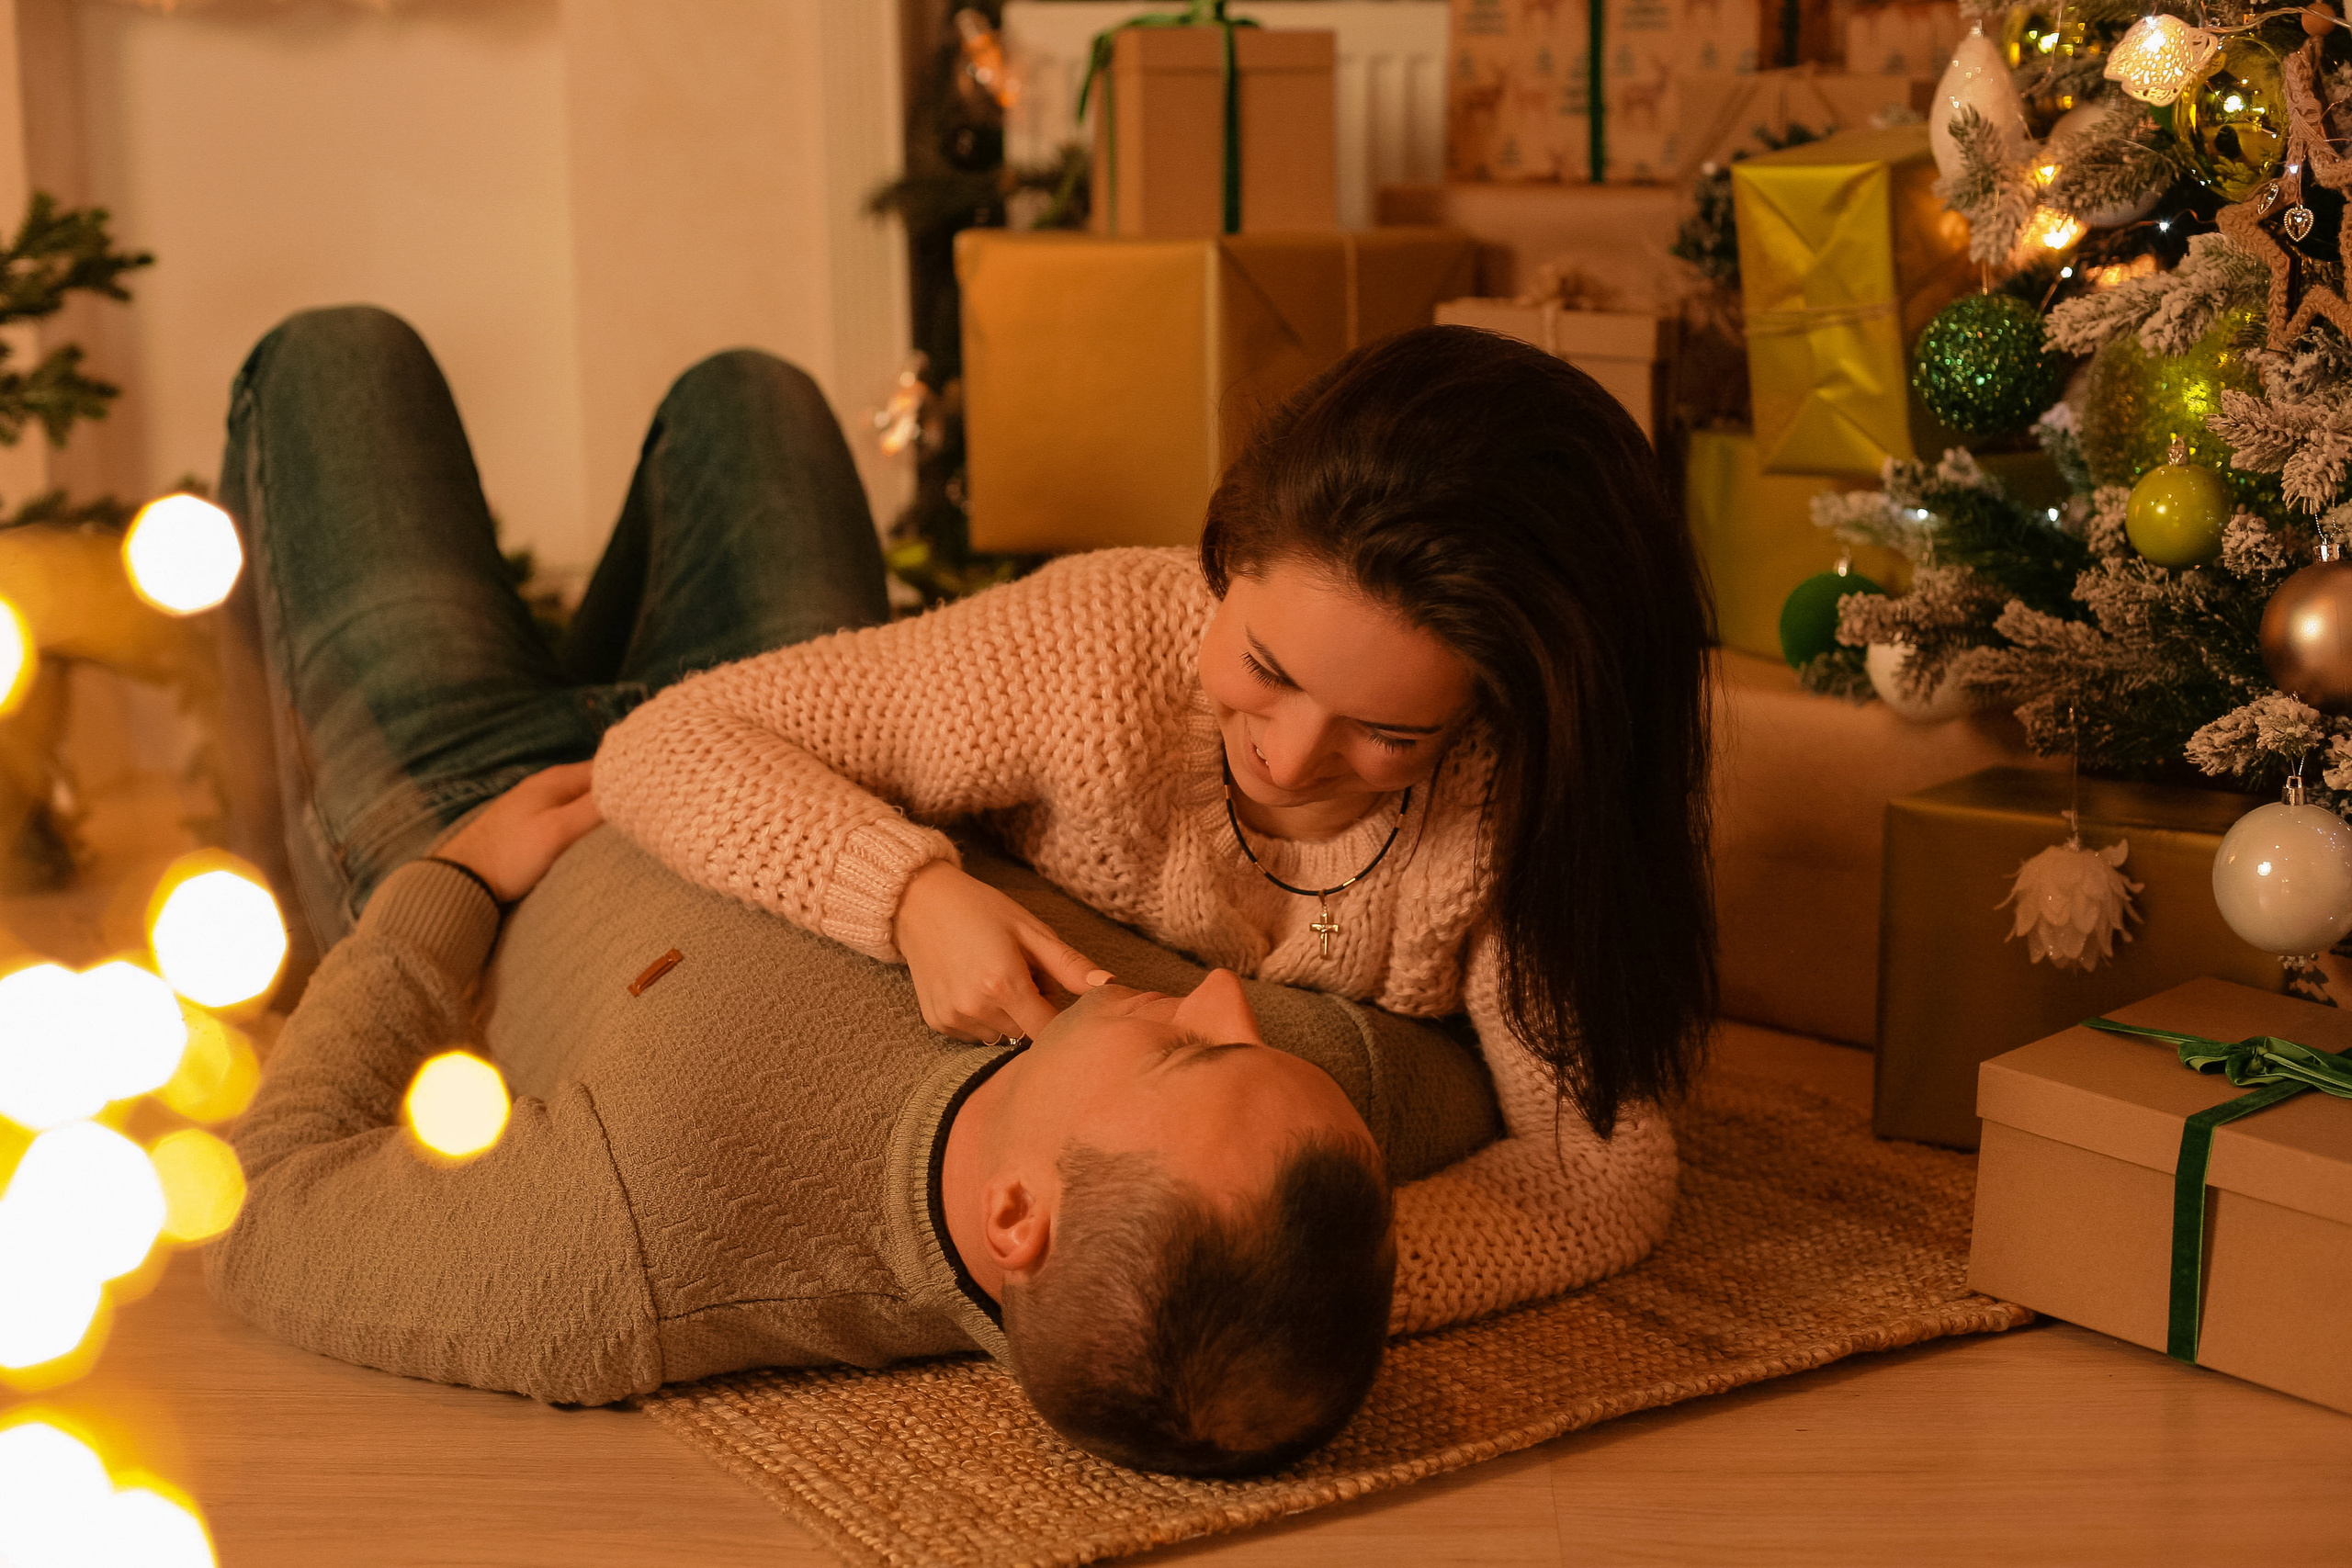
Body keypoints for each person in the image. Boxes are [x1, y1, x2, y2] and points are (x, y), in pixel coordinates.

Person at [205, 306, 1504, 1477]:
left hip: (479, 805)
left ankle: (266, 832)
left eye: (1186, 1056)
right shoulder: (1270, 1120)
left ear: (1018, 1214)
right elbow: (1484, 1067)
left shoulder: (626, 1256)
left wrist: (439, 887)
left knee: (339, 354)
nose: (1225, 995)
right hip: (776, 722)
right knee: (751, 388)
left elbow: (268, 1210)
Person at [594, 323, 1714, 1333]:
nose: (1288, 755)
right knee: (748, 392)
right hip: (770, 754)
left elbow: (1592, 1177)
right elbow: (669, 741)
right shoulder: (1091, 651)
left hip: (791, 729)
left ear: (1486, 709)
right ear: (1225, 560)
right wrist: (912, 898)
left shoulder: (1517, 796)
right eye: (1264, 670)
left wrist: (1231, 1284)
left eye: (1386, 733)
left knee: (735, 403)